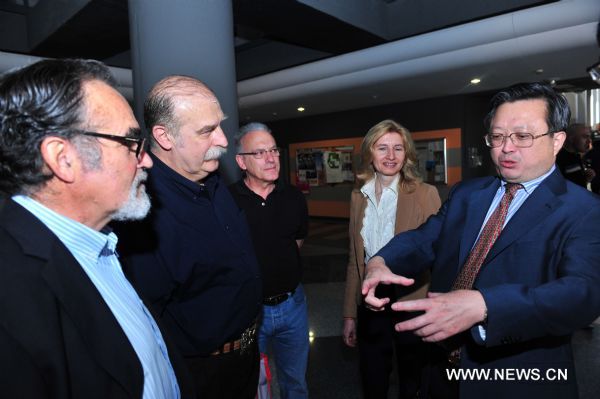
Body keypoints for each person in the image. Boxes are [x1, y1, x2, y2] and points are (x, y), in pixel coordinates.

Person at [362, 82, 600, 399]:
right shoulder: (467, 193)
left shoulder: (584, 210)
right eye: (498, 137)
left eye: (523, 136)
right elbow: (426, 238)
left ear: (557, 140)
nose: (507, 148)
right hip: (442, 369)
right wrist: (381, 261)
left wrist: (487, 306)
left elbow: (582, 294)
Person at [0, 59, 192, 398]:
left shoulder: (102, 244)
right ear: (63, 159)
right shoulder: (12, 293)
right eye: (131, 143)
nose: (146, 160)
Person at [114, 75, 262, 399]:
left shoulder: (211, 178)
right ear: (164, 137)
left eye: (219, 125)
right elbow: (148, 321)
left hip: (247, 357)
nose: (222, 140)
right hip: (201, 374)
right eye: (206, 131)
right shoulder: (144, 214)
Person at [342, 120, 441, 399]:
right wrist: (350, 313)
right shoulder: (357, 197)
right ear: (369, 154)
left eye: (398, 148)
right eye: (382, 148)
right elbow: (354, 260)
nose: (391, 156)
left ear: (407, 154)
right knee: (373, 377)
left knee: (413, 379)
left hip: (411, 297)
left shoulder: (424, 194)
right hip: (370, 298)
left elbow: (439, 253)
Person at [228, 122, 310, 399]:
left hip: (293, 307)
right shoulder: (225, 201)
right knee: (251, 382)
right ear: (241, 161)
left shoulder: (293, 197)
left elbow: (297, 242)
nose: (271, 158)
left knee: (295, 382)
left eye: (273, 150)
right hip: (250, 315)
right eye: (260, 153)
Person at [556, 123, 595, 188]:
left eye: (589, 137)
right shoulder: (560, 159)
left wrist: (586, 178)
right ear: (571, 139)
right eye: (585, 137)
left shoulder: (576, 156)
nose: (589, 141)